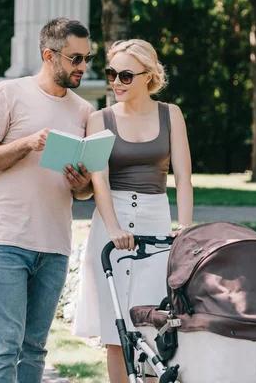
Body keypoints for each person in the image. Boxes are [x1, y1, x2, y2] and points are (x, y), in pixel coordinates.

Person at [0, 17, 95, 383]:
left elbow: (84, 192)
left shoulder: (84, 111)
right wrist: (25, 143)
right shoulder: (9, 93)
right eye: (74, 58)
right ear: (48, 55)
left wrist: (82, 183)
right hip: (7, 240)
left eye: (86, 58)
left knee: (35, 348)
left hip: (55, 245)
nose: (82, 67)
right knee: (6, 346)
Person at [73, 39, 193, 383]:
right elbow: (99, 180)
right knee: (117, 330)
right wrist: (112, 228)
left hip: (156, 216)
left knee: (154, 321)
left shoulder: (171, 114)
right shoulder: (99, 120)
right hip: (113, 220)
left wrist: (184, 228)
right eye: (112, 74)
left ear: (148, 76)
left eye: (126, 75)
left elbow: (183, 177)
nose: (116, 82)